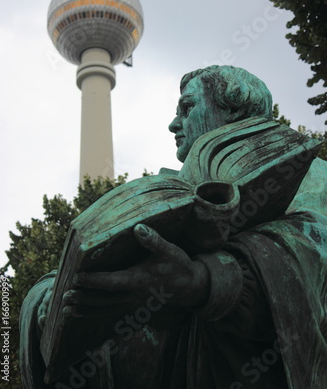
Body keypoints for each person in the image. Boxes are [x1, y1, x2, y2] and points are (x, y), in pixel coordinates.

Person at [20, 65, 327, 388]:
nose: (173, 124)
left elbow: (316, 250)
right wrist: (53, 303)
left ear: (234, 109)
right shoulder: (168, 195)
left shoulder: (310, 173)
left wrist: (207, 280)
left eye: (187, 107)